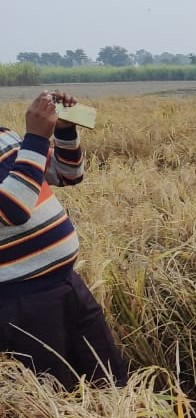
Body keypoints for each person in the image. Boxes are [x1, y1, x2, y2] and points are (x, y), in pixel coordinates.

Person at [0, 91, 128, 389]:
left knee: (111, 383)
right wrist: (35, 138)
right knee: (56, 395)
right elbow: (12, 208)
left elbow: (68, 173)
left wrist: (64, 130)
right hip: (21, 301)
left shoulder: (4, 137)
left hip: (67, 284)